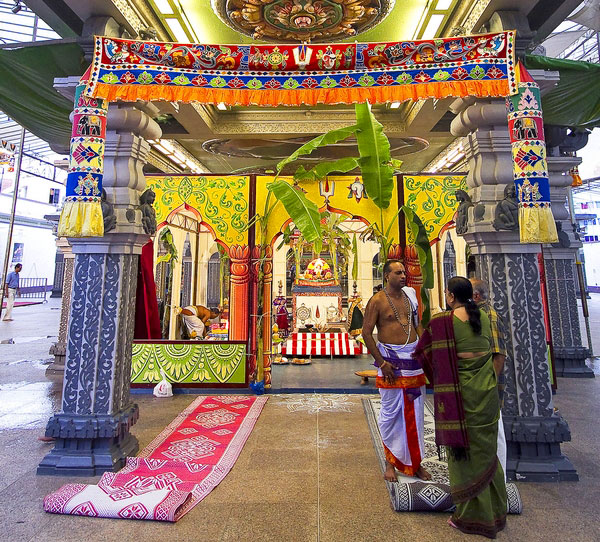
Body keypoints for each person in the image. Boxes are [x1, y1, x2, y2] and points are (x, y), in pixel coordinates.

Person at [413, 276, 506, 539]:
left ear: (451, 296)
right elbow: (496, 354)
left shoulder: (443, 322)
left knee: (463, 453)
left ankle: (468, 516)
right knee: (487, 452)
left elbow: (423, 352)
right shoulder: (485, 317)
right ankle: (496, 511)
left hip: (460, 396)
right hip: (486, 393)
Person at [362, 259, 431, 482]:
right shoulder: (377, 301)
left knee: (417, 414)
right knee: (391, 415)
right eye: (398, 272)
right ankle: (390, 462)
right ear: (387, 276)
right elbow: (366, 333)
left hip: (413, 360)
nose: (404, 276)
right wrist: (382, 363)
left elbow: (417, 324)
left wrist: (424, 347)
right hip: (390, 362)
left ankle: (415, 463)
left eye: (404, 272)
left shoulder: (411, 296)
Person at [470, 278, 508, 479]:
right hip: (479, 386)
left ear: (476, 296)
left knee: (495, 431)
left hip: (488, 387)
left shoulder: (489, 317)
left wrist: (488, 385)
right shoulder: (478, 315)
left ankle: (498, 480)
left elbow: (498, 355)